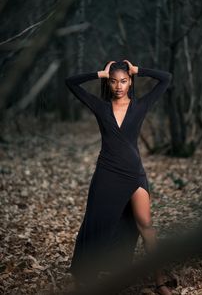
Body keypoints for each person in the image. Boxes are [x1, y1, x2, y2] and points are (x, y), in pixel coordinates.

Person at [65, 59, 173, 295]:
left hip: (134, 174)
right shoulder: (101, 107)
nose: (118, 86)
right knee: (95, 225)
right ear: (109, 83)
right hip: (107, 173)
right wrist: (100, 73)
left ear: (130, 82)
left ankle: (160, 281)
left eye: (123, 81)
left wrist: (138, 69)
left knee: (146, 225)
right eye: (113, 81)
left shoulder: (140, 105)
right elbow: (70, 82)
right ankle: (80, 274)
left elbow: (166, 78)